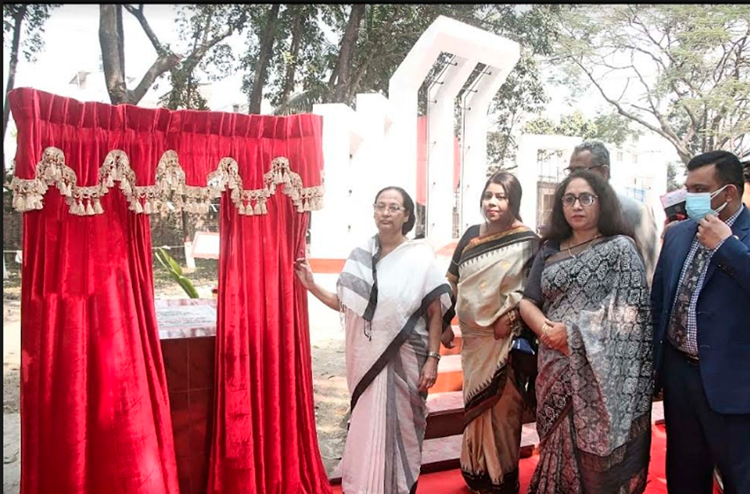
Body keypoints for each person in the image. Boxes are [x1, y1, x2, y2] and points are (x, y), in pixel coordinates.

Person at [295, 186, 453, 494]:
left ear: (407, 216)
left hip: (407, 360)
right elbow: (345, 304)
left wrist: (433, 360)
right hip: (367, 361)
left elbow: (435, 312)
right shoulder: (361, 256)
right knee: (366, 427)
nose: (386, 213)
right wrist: (312, 286)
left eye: (394, 207)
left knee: (403, 431)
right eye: (380, 206)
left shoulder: (420, 256)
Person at [519, 170, 654, 494]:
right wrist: (548, 332)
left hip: (601, 374)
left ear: (601, 202)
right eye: (569, 199)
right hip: (553, 363)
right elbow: (528, 301)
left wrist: (574, 335)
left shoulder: (621, 249)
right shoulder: (549, 249)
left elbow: (630, 312)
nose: (576, 206)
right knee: (555, 444)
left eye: (585, 198)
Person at [651, 150, 750, 494]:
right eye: (688, 189)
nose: (690, 198)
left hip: (734, 384)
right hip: (680, 376)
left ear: (728, 193)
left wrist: (726, 247)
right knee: (685, 474)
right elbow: (659, 303)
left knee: (740, 479)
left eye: (699, 190)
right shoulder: (678, 234)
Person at [443, 172, 539, 494]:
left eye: (501, 197)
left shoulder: (528, 241)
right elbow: (452, 280)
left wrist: (511, 315)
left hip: (504, 341)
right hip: (474, 342)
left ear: (514, 201)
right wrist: (444, 321)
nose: (492, 203)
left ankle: (502, 477)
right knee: (476, 406)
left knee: (502, 409)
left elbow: (533, 290)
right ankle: (477, 472)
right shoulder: (471, 235)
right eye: (488, 196)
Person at [566, 140, 660, 283]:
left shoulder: (635, 212)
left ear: (604, 172)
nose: (574, 177)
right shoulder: (567, 210)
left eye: (580, 170)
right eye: (571, 171)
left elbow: (651, 270)